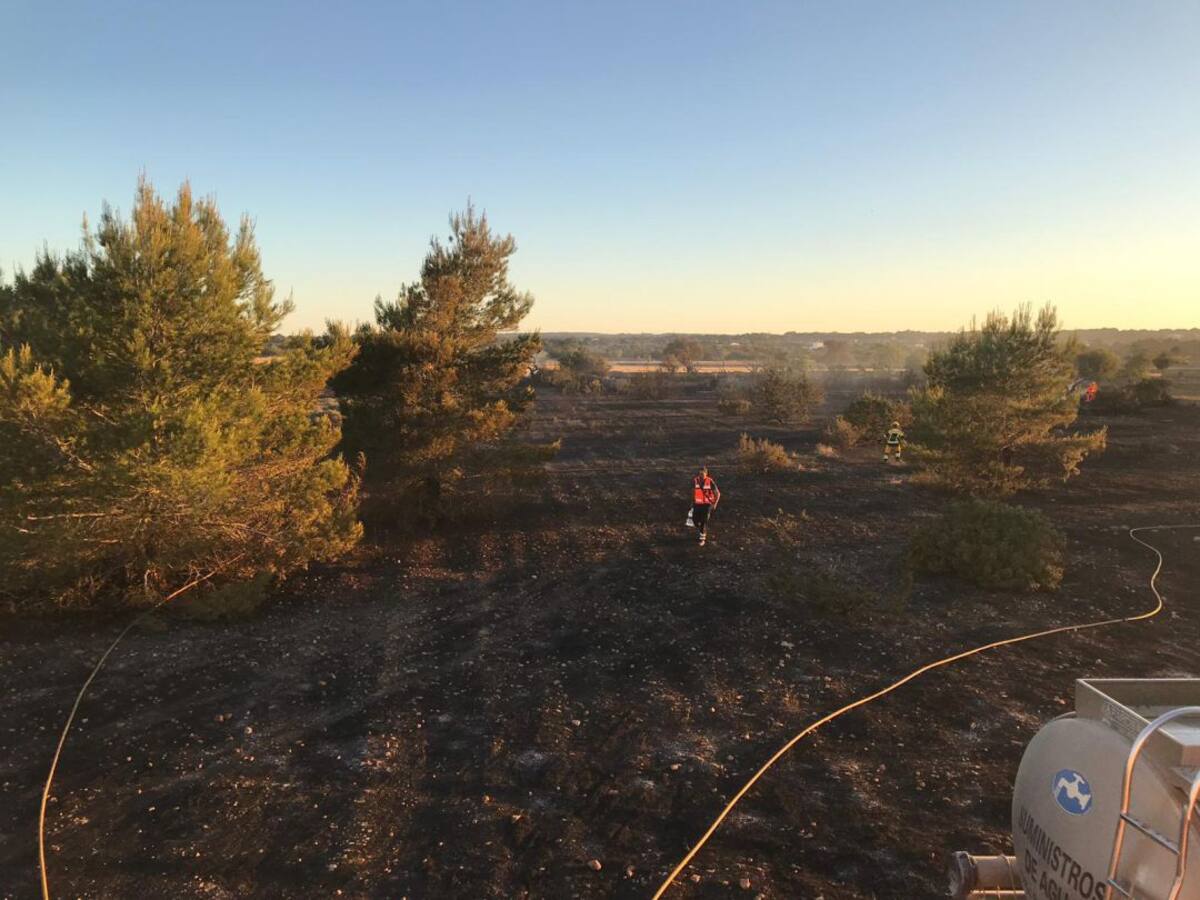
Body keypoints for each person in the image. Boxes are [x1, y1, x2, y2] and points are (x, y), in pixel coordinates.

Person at [690, 466, 721, 546]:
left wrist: (715, 503)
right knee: (695, 520)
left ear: (706, 474)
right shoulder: (695, 481)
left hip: (707, 505)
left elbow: (717, 493)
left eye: (703, 474)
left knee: (703, 521)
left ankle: (702, 538)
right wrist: (692, 501)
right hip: (697, 504)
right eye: (700, 474)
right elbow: (693, 491)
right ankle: (701, 529)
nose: (701, 476)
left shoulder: (710, 481)